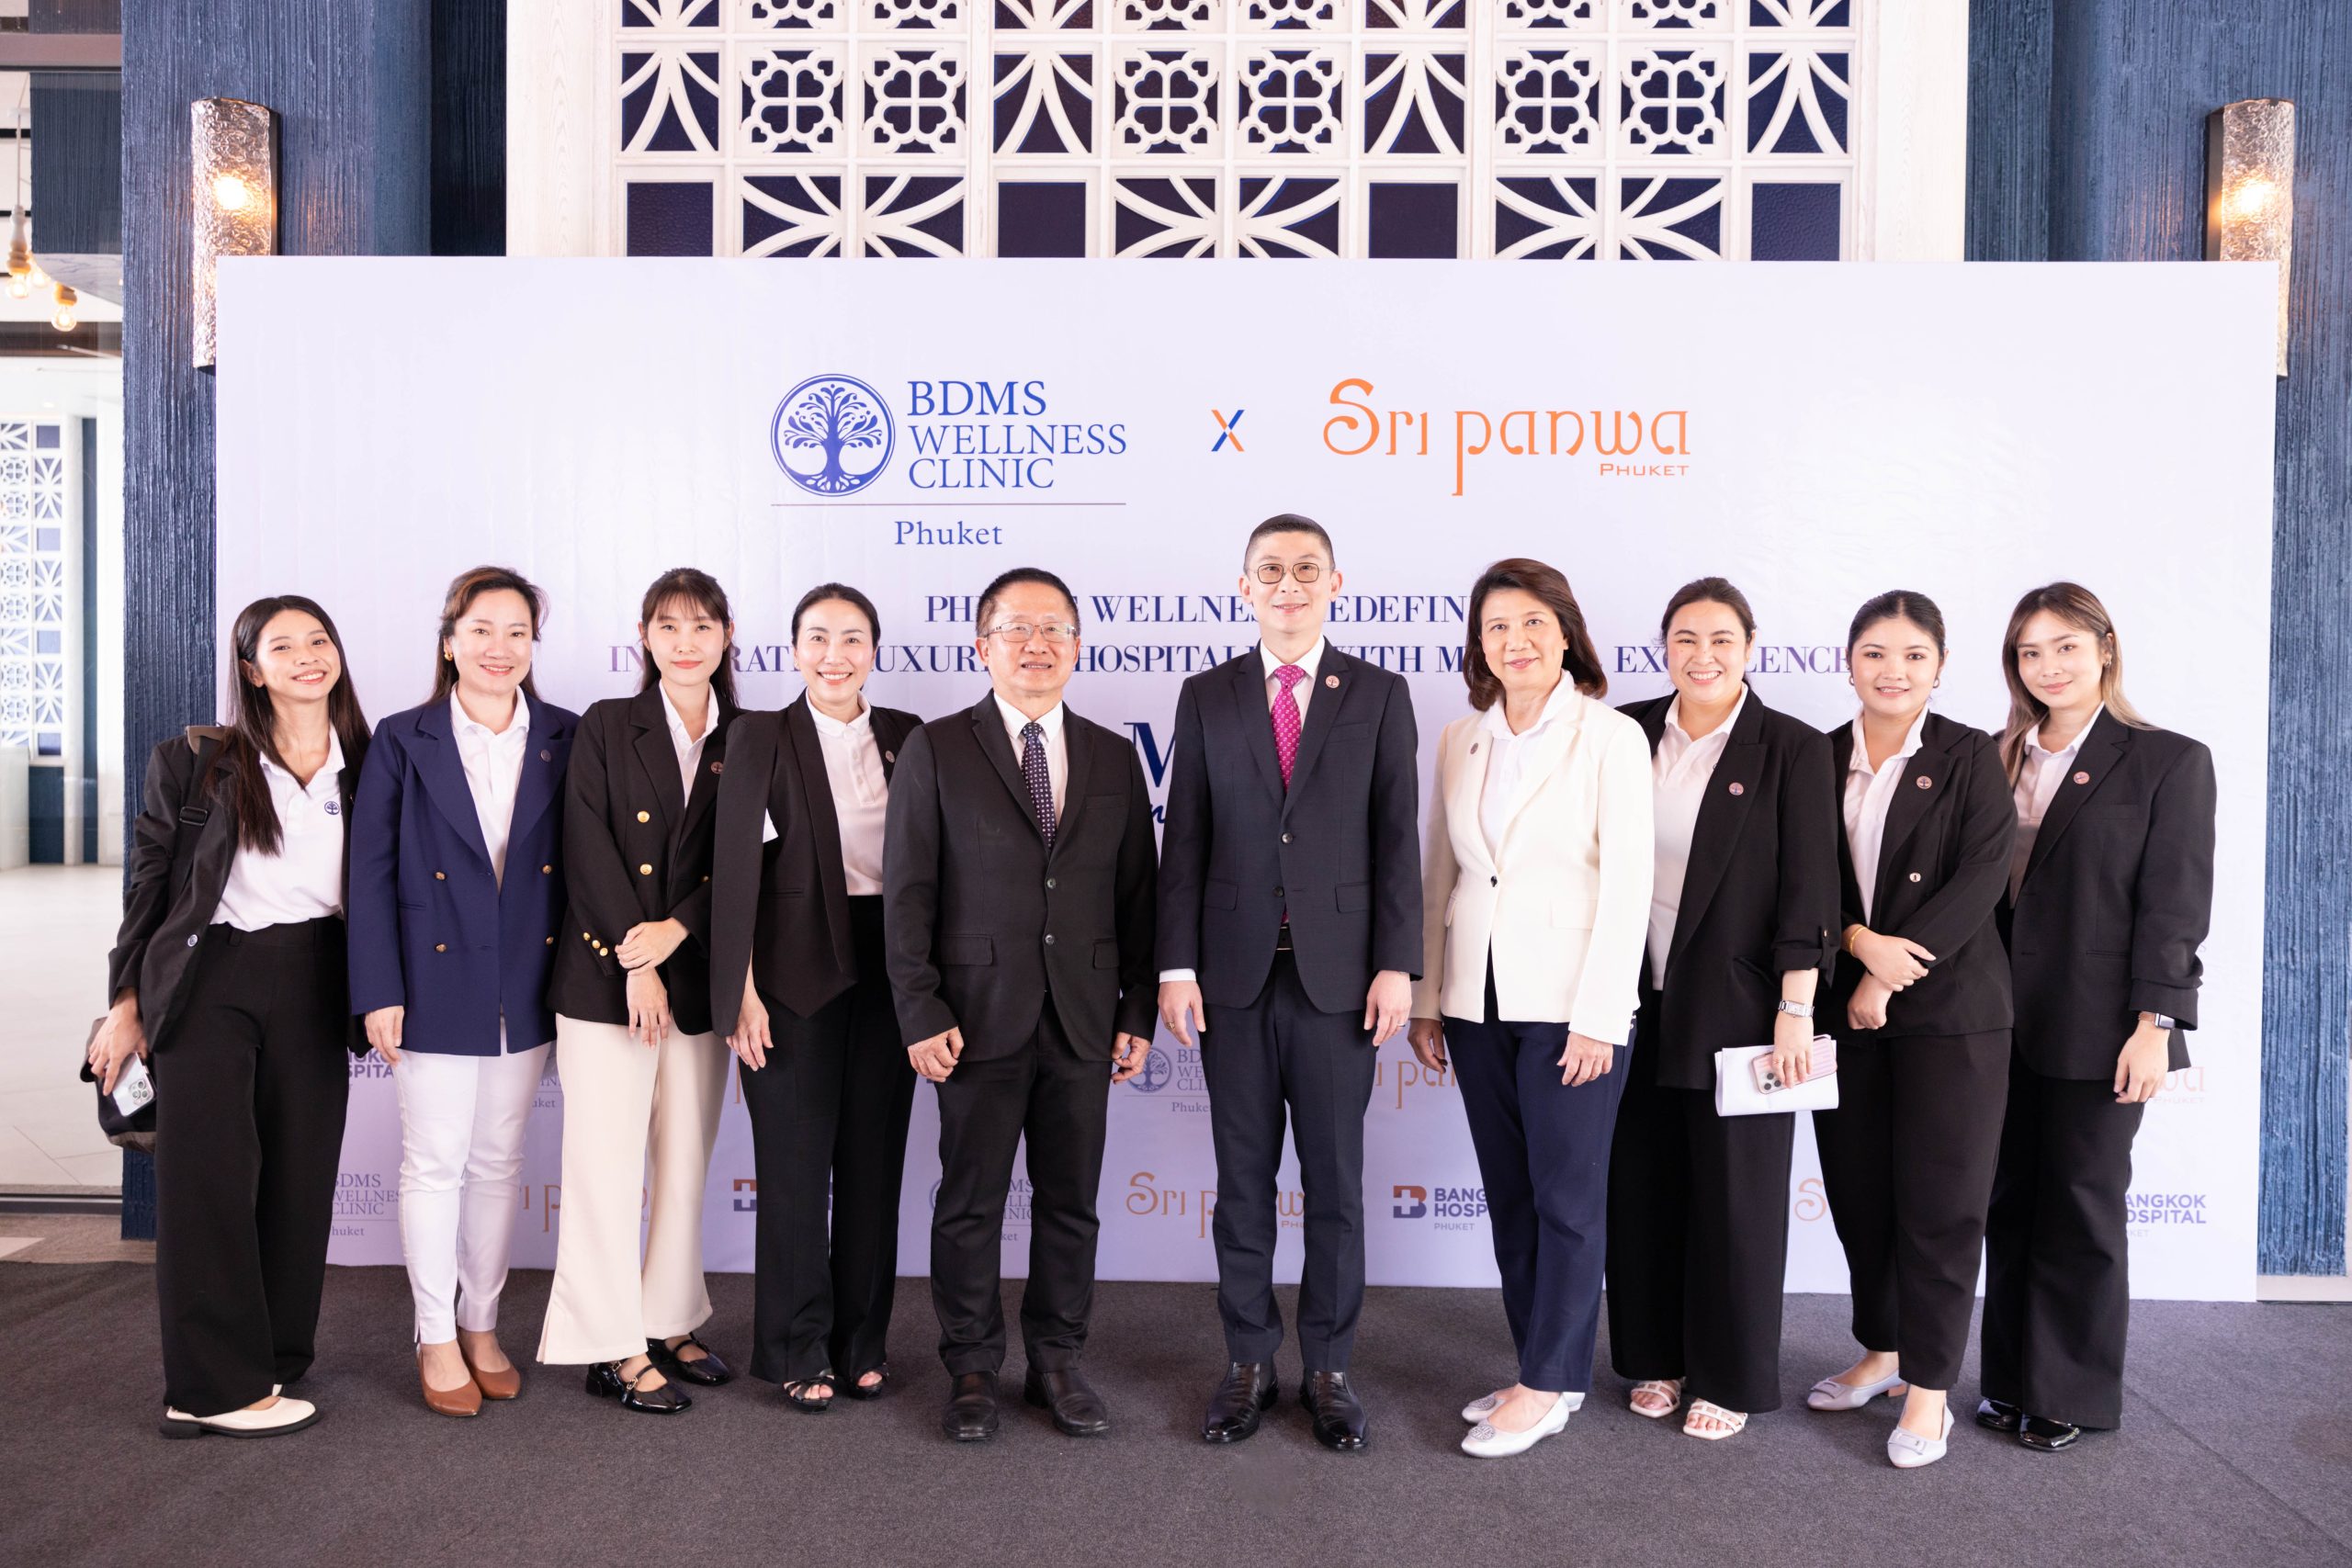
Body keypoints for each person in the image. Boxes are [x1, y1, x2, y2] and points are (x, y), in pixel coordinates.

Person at [1159, 513, 1420, 1453]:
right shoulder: (1207, 694)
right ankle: (1248, 1363)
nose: (1288, 584)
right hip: (1230, 980)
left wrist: (1396, 962)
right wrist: (1175, 964)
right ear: (1244, 587)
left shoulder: (1379, 694)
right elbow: (1184, 835)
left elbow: (1397, 835)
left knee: (1336, 1187)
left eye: (1307, 569)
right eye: (1270, 569)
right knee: (1241, 1185)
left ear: (1335, 583)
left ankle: (1330, 1369)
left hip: (1340, 984)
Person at [882, 568, 1159, 1443]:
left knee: (1072, 1202)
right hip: (973, 1017)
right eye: (1016, 628)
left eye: (1054, 628)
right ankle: (970, 1365)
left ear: (1076, 645)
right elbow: (907, 892)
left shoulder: (1113, 756)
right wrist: (920, 1007)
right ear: (983, 645)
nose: (1037, 644)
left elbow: (1138, 898)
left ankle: (1056, 1361)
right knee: (971, 1201)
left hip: (1083, 1018)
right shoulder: (936, 748)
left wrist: (1137, 1012)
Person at [93, 596, 370, 1438]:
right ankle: (208, 1389)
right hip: (211, 976)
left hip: (319, 973)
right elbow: (150, 887)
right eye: (282, 646)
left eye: (318, 640)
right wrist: (126, 1002)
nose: (307, 656)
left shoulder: (368, 760)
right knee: (208, 1181)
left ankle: (272, 1360)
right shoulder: (197, 760)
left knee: (300, 1177)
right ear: (252, 669)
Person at [1405, 558, 1653, 1460]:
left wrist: (1601, 1015)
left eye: (1533, 623)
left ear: (1566, 634)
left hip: (1569, 1003)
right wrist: (1428, 997)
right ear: (1479, 645)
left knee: (1567, 1200)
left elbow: (1628, 882)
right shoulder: (1459, 738)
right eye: (1497, 627)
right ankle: (1538, 1370)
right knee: (1510, 1198)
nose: (1515, 641)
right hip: (1476, 999)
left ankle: (1549, 1385)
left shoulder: (1610, 736)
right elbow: (1441, 870)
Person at [1978, 582, 2214, 1451]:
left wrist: (2157, 1024)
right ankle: (2009, 1380)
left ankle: (2068, 1392)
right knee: (2009, 1202)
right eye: (2031, 652)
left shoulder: (2167, 760)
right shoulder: (1993, 756)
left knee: (2082, 1204)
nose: (2049, 666)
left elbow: (2175, 906)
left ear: (2105, 648)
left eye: (2067, 646)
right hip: (1995, 1023)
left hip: (2104, 1026)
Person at [1603, 578, 1840, 1441]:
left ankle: (1730, 1375)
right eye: (1685, 638)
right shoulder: (1624, 731)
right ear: (1663, 646)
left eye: (1721, 639)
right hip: (1628, 996)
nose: (1702, 656)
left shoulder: (1792, 747)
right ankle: (1656, 1356)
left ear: (1750, 647)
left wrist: (1795, 1007)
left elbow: (1811, 887)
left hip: (1742, 1005)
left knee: (1738, 1199)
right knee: (1641, 1183)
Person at [348, 565, 578, 1418]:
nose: (499, 647)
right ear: (450, 642)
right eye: (481, 629)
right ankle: (434, 1333)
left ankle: (481, 1325)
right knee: (435, 1160)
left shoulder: (566, 734)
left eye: (517, 631)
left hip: (529, 975)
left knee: (498, 1161)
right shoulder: (401, 738)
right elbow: (368, 872)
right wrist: (379, 987)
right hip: (431, 977)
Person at [1807, 590, 2016, 1470]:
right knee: (1859, 1195)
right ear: (1848, 661)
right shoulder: (1815, 755)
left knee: (1940, 1205)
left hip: (1951, 1015)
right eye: (1875, 653)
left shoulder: (1971, 755)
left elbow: (1982, 877)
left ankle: (1929, 1387)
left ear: (1940, 665)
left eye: (1914, 655)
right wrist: (1860, 948)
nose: (1893, 671)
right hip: (1843, 1010)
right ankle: (1883, 1350)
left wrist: (1889, 974)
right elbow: (1797, 876)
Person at [710, 582, 922, 1412]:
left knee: (874, 1163)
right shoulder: (758, 735)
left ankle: (861, 1341)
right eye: (819, 638)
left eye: (853, 638)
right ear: (794, 649)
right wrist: (739, 992)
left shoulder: (907, 735)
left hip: (890, 968)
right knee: (796, 1168)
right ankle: (798, 1345)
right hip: (788, 971)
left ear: (875, 649)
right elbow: (733, 871)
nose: (836, 655)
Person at [537, 569, 739, 1414]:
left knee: (685, 1162)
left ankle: (667, 1317)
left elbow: (748, 864)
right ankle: (609, 1343)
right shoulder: (608, 724)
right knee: (604, 1168)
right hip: (605, 980)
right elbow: (584, 845)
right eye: (668, 626)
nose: (685, 643)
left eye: (701, 626)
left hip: (698, 979)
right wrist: (637, 958)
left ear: (727, 636)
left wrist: (677, 931)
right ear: (645, 636)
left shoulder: (751, 736)